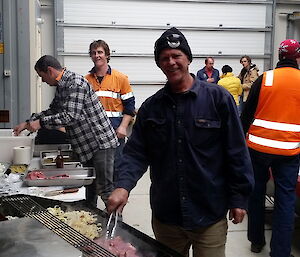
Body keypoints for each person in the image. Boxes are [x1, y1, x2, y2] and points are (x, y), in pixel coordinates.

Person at [107, 27, 254, 257]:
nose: (171, 62)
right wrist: (123, 186)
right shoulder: (151, 108)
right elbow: (136, 153)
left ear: (188, 59)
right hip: (167, 217)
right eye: (164, 58)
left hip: (209, 214)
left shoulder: (218, 99)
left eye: (176, 56)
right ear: (159, 64)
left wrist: (239, 198)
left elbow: (236, 151)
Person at [13, 55, 119, 207]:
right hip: (86, 147)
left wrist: (40, 123)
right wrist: (28, 122)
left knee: (105, 191)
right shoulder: (63, 86)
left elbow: (70, 116)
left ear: (50, 71)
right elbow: (54, 111)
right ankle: (90, 224)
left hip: (100, 144)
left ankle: (117, 228)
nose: (42, 81)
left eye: (42, 77)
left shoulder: (75, 83)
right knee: (89, 189)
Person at [241, 39, 300, 257]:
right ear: (298, 57)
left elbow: (246, 114)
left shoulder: (266, 78)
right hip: (288, 152)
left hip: (257, 149)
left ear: (279, 55)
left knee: (256, 193)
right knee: (285, 200)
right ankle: (281, 252)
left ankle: (256, 241)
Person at [85, 40, 135, 183]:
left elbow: (130, 106)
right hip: (93, 135)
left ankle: (114, 205)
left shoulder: (120, 78)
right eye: (93, 53)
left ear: (107, 55)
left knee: (116, 171)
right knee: (93, 173)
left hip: (115, 133)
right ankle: (89, 205)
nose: (97, 55)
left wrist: (123, 127)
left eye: (100, 52)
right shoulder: (86, 80)